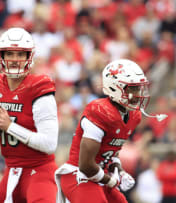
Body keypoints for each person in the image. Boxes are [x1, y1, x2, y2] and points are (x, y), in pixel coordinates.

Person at [56, 59, 162, 203]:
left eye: (138, 87)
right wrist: (111, 181)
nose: (138, 93)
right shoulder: (100, 111)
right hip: (79, 176)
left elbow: (112, 150)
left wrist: (119, 170)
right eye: (132, 88)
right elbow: (86, 165)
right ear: (115, 87)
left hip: (99, 176)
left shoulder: (133, 115)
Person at [0, 27, 59, 202]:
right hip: (11, 171)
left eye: (20, 54)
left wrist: (9, 127)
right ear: (2, 56)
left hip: (39, 172)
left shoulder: (40, 88)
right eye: (10, 54)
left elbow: (50, 144)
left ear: (29, 57)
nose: (14, 60)